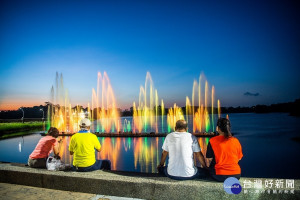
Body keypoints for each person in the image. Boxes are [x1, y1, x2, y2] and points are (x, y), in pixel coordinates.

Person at [206, 118, 243, 182]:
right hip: (236, 175)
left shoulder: (212, 140)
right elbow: (239, 158)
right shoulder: (235, 141)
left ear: (217, 128)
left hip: (219, 175)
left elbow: (209, 159)